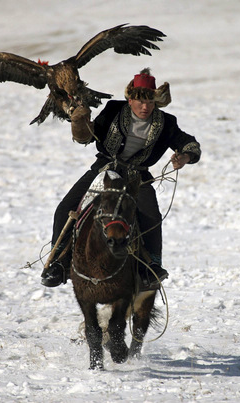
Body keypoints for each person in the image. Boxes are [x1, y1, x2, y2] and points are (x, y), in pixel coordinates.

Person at [41, 68, 201, 290]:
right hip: (104, 169)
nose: (145, 107)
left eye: (150, 102)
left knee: (151, 217)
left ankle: (152, 267)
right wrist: (79, 123)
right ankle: (57, 263)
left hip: (138, 177)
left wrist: (185, 156)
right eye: (140, 101)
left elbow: (189, 143)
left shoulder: (167, 122)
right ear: (130, 98)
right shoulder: (113, 110)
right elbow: (88, 136)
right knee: (65, 208)